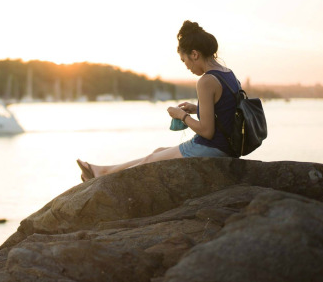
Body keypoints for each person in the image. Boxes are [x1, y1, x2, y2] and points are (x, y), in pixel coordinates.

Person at [77, 20, 240, 182]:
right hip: (226, 145)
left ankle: (104, 180)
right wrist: (196, 108)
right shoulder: (227, 73)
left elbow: (207, 131)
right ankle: (103, 171)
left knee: (150, 163)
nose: (187, 67)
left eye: (185, 60)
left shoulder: (206, 81)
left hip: (212, 148)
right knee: (157, 152)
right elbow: (226, 110)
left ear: (194, 54)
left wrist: (181, 116)